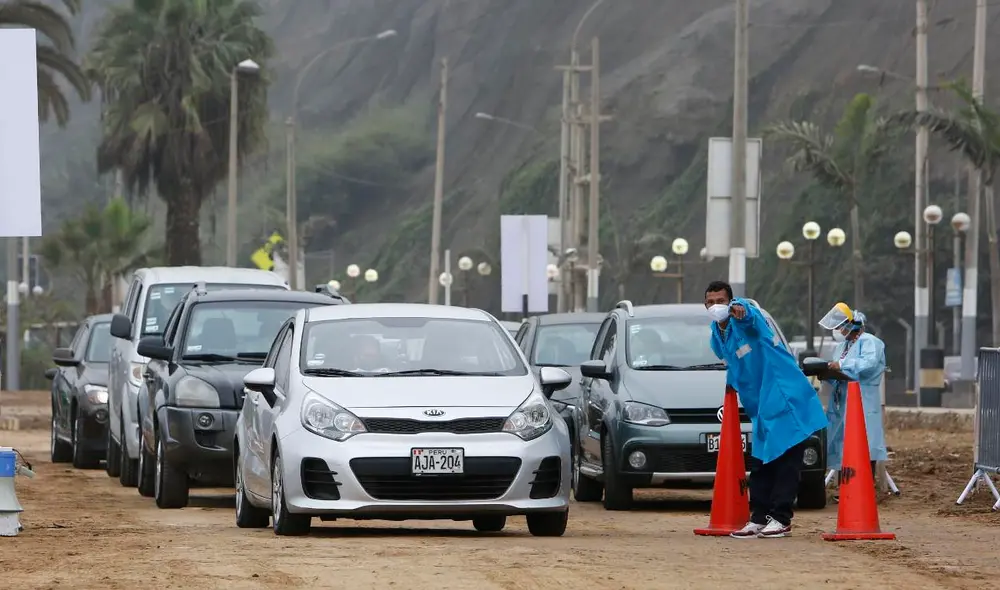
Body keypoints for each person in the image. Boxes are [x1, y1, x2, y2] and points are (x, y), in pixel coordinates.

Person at [704, 280, 828, 539]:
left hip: (783, 396)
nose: (716, 307)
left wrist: (740, 308)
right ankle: (759, 518)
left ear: (731, 301)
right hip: (760, 405)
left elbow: (748, 314)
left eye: (721, 301)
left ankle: (781, 519)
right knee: (761, 463)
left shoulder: (745, 314)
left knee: (785, 461)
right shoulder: (718, 332)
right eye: (711, 302)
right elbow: (732, 363)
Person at [819, 303, 887, 502]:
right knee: (843, 443)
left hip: (863, 398)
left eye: (842, 327)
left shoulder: (870, 342)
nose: (840, 331)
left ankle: (865, 487)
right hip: (843, 399)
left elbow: (868, 364)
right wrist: (828, 373)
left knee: (866, 442)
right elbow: (840, 370)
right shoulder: (843, 346)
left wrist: (841, 365)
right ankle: (847, 488)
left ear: (853, 324)